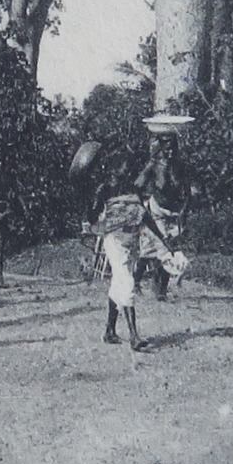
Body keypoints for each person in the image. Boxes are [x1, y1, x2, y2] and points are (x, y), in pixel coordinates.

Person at [92, 149, 152, 352]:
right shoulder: (106, 189)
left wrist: (164, 241)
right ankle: (134, 336)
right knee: (127, 282)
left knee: (118, 283)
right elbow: (91, 214)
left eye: (128, 170)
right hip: (114, 240)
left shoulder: (134, 191)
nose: (125, 173)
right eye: (122, 169)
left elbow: (145, 217)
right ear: (113, 170)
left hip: (130, 241)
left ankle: (109, 330)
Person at [135, 135, 195, 301]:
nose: (169, 152)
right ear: (160, 148)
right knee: (161, 248)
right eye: (166, 148)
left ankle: (160, 287)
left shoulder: (181, 166)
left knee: (162, 248)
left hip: (174, 212)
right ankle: (147, 285)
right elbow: (137, 186)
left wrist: (184, 211)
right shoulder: (153, 166)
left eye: (172, 148)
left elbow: (188, 192)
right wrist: (140, 207)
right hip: (156, 211)